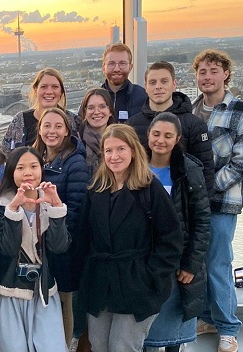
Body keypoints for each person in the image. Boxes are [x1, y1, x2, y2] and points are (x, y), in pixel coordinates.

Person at [77, 124, 183, 352]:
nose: (114, 156)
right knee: (99, 345)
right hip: (100, 282)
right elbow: (83, 238)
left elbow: (171, 239)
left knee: (123, 346)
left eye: (120, 149)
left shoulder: (150, 188)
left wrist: (150, 275)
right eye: (108, 150)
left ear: (133, 151)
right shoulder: (96, 189)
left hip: (137, 283)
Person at [191, 49, 243, 352]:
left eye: (214, 71)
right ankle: (207, 318)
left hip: (221, 203)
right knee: (199, 263)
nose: (207, 77)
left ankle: (229, 328)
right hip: (193, 203)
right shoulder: (190, 111)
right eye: (202, 72)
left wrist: (204, 187)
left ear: (226, 74)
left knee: (217, 263)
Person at [0, 146, 71, 352]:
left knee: (51, 347)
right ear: (11, 172)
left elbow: (59, 247)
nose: (28, 172)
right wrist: (13, 210)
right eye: (20, 167)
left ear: (42, 169)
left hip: (43, 291)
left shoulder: (49, 202)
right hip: (8, 291)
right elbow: (7, 249)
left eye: (34, 166)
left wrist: (57, 208)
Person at [143, 113, 210, 352]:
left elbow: (202, 220)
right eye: (156, 134)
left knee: (174, 338)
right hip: (146, 263)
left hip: (178, 264)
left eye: (168, 135)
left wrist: (191, 264)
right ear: (148, 134)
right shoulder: (135, 166)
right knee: (145, 336)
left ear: (177, 138)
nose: (161, 140)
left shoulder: (189, 170)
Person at [33, 107, 90, 346]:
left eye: (58, 126)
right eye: (47, 125)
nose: (52, 131)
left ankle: (68, 345)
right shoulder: (35, 157)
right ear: (39, 129)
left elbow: (75, 212)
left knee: (64, 305)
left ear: (67, 130)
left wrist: (60, 240)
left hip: (64, 248)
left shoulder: (75, 163)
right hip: (40, 249)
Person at [127, 61, 214, 192]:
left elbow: (205, 172)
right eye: (152, 82)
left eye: (164, 81)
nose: (158, 87)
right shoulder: (132, 125)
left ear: (174, 84)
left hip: (182, 204)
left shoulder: (194, 124)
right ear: (145, 86)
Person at [2, 68, 81, 154]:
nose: (49, 92)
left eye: (55, 87)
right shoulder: (20, 121)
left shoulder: (74, 121)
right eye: (44, 87)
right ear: (36, 90)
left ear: (61, 92)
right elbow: (5, 156)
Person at [100, 43, 147, 122]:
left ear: (130, 67)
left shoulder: (144, 97)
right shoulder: (93, 100)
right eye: (111, 64)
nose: (117, 69)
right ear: (103, 68)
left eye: (122, 63)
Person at [78, 88, 116, 175]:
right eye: (91, 108)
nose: (96, 112)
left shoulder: (122, 139)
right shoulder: (77, 142)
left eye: (102, 107)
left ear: (110, 111)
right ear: (85, 112)